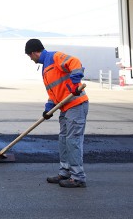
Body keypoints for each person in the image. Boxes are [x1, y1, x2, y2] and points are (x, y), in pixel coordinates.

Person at [25, 38, 89, 188]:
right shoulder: (45, 68)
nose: (30, 59)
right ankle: (65, 172)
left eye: (29, 56)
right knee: (63, 140)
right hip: (64, 108)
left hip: (76, 105)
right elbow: (54, 91)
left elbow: (75, 62)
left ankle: (78, 177)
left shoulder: (55, 57)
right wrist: (48, 108)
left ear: (34, 52)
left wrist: (75, 82)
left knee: (72, 141)